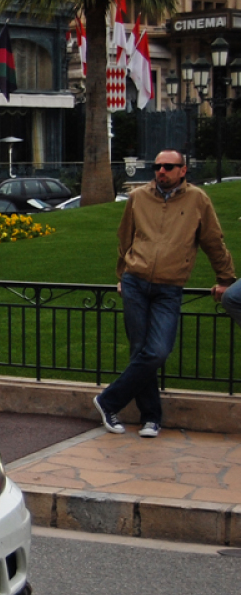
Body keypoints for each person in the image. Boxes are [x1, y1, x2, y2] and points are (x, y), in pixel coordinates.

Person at [94, 149, 235, 438]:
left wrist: (225, 278)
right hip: (136, 281)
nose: (162, 171)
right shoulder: (138, 197)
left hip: (169, 287)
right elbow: (125, 238)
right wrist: (122, 275)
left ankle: (108, 401)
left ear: (183, 170)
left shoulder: (198, 199)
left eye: (169, 166)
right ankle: (151, 418)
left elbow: (213, 240)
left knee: (157, 351)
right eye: (158, 166)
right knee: (140, 350)